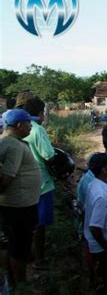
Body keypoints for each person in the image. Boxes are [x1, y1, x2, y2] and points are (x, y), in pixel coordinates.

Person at [0, 109, 40, 286]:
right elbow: (7, 178)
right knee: (19, 247)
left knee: (14, 244)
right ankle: (21, 284)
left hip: (18, 204)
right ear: (19, 125)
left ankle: (14, 281)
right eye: (29, 123)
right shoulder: (14, 146)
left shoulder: (10, 142)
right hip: (19, 207)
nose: (31, 126)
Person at [21, 98, 56, 270]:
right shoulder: (37, 130)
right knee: (40, 224)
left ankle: (27, 255)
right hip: (42, 183)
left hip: (24, 183)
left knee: (27, 222)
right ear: (41, 113)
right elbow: (49, 155)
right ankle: (39, 260)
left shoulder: (18, 128)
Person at [84, 153, 107, 295]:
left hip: (97, 242)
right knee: (106, 279)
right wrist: (105, 246)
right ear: (103, 169)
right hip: (100, 246)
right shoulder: (102, 196)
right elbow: (95, 226)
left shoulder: (97, 183)